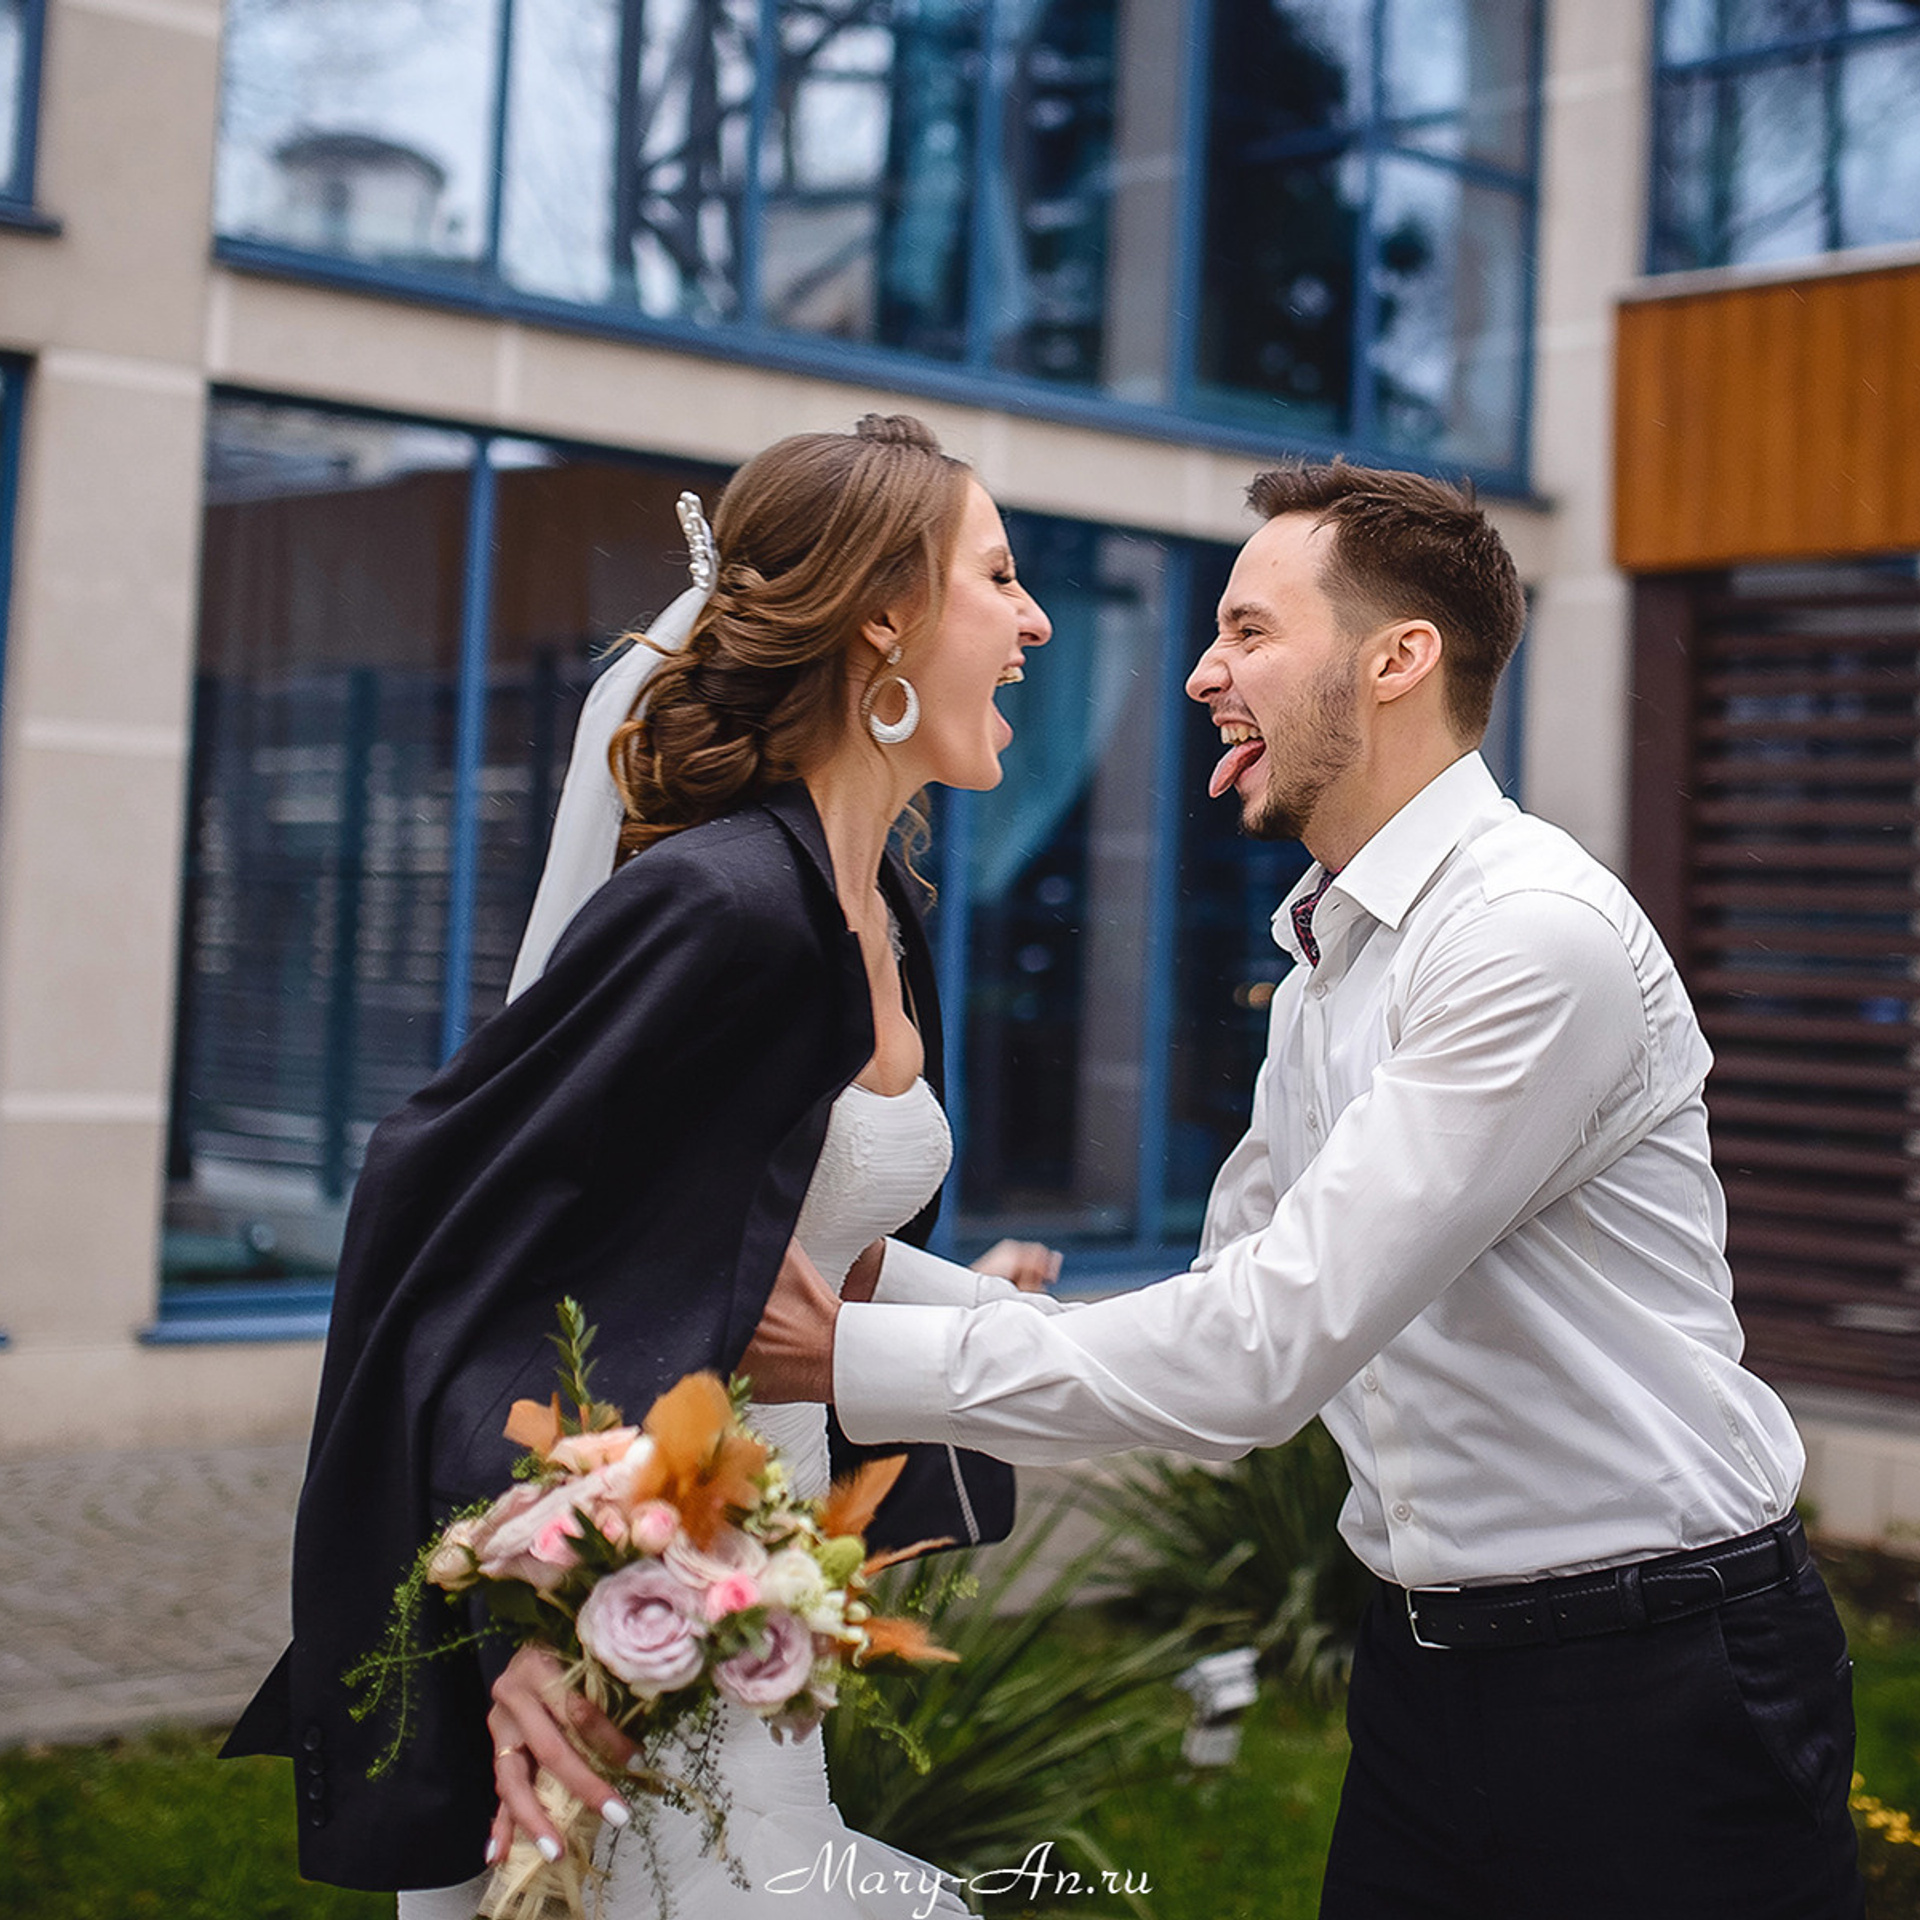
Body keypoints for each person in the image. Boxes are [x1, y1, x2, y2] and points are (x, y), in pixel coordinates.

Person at [742, 461, 1865, 1920]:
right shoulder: (1331, 954)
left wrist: (844, 1353)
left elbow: (1257, 1358)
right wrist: (885, 1284)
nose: (1204, 672)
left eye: (1250, 632)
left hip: (1652, 1681)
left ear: (1400, 661)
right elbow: (1234, 1302)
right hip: (1431, 1665)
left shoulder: (1528, 939)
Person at [221, 413, 1056, 1917]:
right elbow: (464, 1238)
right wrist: (544, 1594)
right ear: (886, 613)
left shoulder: (878, 911)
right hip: (639, 1630)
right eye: (1000, 576)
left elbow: (761, 1245)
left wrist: (981, 1320)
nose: (1034, 620)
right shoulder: (724, 908)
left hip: (763, 1599)